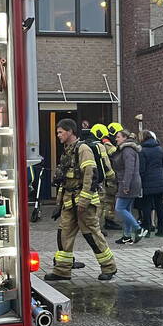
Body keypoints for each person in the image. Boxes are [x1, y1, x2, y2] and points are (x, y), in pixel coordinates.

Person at [44, 118, 117, 282]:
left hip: (84, 203)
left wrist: (83, 202)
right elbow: (65, 180)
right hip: (69, 203)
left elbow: (90, 175)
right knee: (63, 234)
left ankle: (109, 267)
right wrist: (59, 204)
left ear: (70, 131)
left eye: (60, 132)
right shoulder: (67, 150)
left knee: (92, 235)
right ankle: (62, 270)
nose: (58, 135)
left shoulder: (83, 149)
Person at [109, 128, 143, 244]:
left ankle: (138, 228)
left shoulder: (127, 150)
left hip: (128, 183)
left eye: (118, 137)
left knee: (119, 208)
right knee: (127, 209)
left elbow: (129, 169)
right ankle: (127, 236)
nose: (116, 139)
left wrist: (126, 185)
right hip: (130, 182)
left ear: (124, 138)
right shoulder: (126, 149)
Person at [89, 123, 121, 231]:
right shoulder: (104, 144)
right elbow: (113, 155)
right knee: (105, 202)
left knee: (107, 201)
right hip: (106, 178)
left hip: (101, 177)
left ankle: (107, 221)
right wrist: (112, 176)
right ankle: (102, 224)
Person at [138, 129, 163, 236]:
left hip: (147, 183)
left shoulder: (142, 151)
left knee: (146, 206)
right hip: (160, 182)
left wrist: (140, 183)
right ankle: (162, 230)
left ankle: (147, 229)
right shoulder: (160, 150)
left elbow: (142, 170)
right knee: (159, 206)